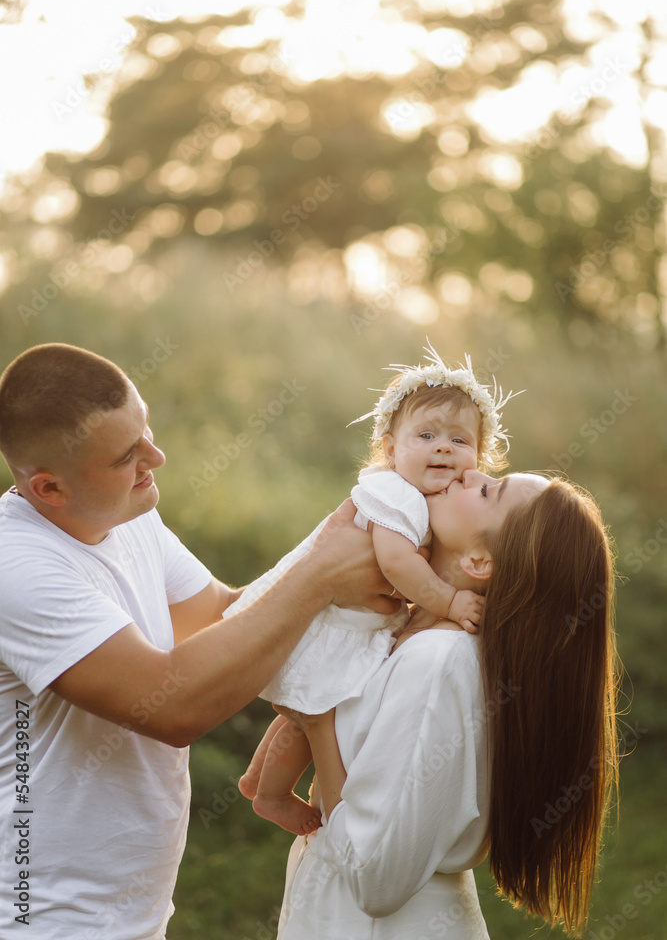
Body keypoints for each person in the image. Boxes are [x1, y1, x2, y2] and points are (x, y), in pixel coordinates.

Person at [0, 343, 392, 940]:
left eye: (147, 430)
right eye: (127, 455)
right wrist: (320, 576)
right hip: (41, 920)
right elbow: (170, 705)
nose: (156, 456)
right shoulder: (16, 568)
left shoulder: (126, 515)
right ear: (50, 489)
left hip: (135, 916)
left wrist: (353, 532)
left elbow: (226, 617)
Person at [275, 469, 620, 939]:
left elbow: (376, 878)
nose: (467, 471)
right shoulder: (411, 630)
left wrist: (317, 724)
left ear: (479, 560)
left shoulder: (440, 664)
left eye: (486, 490)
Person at [231, 346, 517, 835]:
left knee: (307, 708)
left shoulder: (432, 502)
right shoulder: (396, 495)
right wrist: (447, 600)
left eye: (458, 439)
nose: (443, 447)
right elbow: (396, 561)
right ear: (390, 450)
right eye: (426, 436)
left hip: (353, 619)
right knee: (317, 707)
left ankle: (261, 780)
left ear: (478, 458)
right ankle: (277, 796)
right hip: (335, 620)